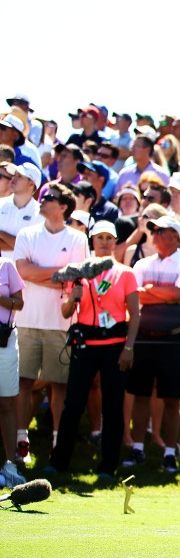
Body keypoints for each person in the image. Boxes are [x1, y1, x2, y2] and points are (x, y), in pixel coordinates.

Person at [48, 222, 139, 478]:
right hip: (85, 345)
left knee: (113, 406)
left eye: (109, 238)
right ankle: (58, 462)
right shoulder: (79, 272)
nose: (105, 242)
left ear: (115, 241)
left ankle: (108, 466)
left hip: (115, 346)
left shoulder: (126, 273)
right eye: (99, 237)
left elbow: (135, 313)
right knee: (73, 404)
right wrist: (73, 295)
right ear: (92, 241)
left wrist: (129, 347)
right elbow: (66, 312)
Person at [13, 183, 87, 465]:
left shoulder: (78, 239)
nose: (42, 202)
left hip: (61, 322)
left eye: (49, 198)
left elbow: (76, 276)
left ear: (64, 207)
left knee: (59, 385)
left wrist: (41, 274)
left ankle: (58, 442)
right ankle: (21, 441)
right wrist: (59, 274)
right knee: (23, 382)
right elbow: (23, 271)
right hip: (27, 319)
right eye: (42, 197)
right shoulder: (27, 233)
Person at [122, 216, 180, 473]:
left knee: (173, 399)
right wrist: (161, 292)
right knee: (140, 395)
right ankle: (138, 448)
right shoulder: (142, 264)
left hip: (173, 339)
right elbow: (133, 295)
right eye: (152, 230)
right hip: (143, 336)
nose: (153, 235)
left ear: (175, 236)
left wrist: (150, 291)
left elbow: (179, 296)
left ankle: (170, 453)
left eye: (159, 231)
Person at [0, 255, 24, 468]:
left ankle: (10, 464)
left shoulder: (5, 265)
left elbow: (19, 303)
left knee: (6, 402)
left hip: (4, 342)